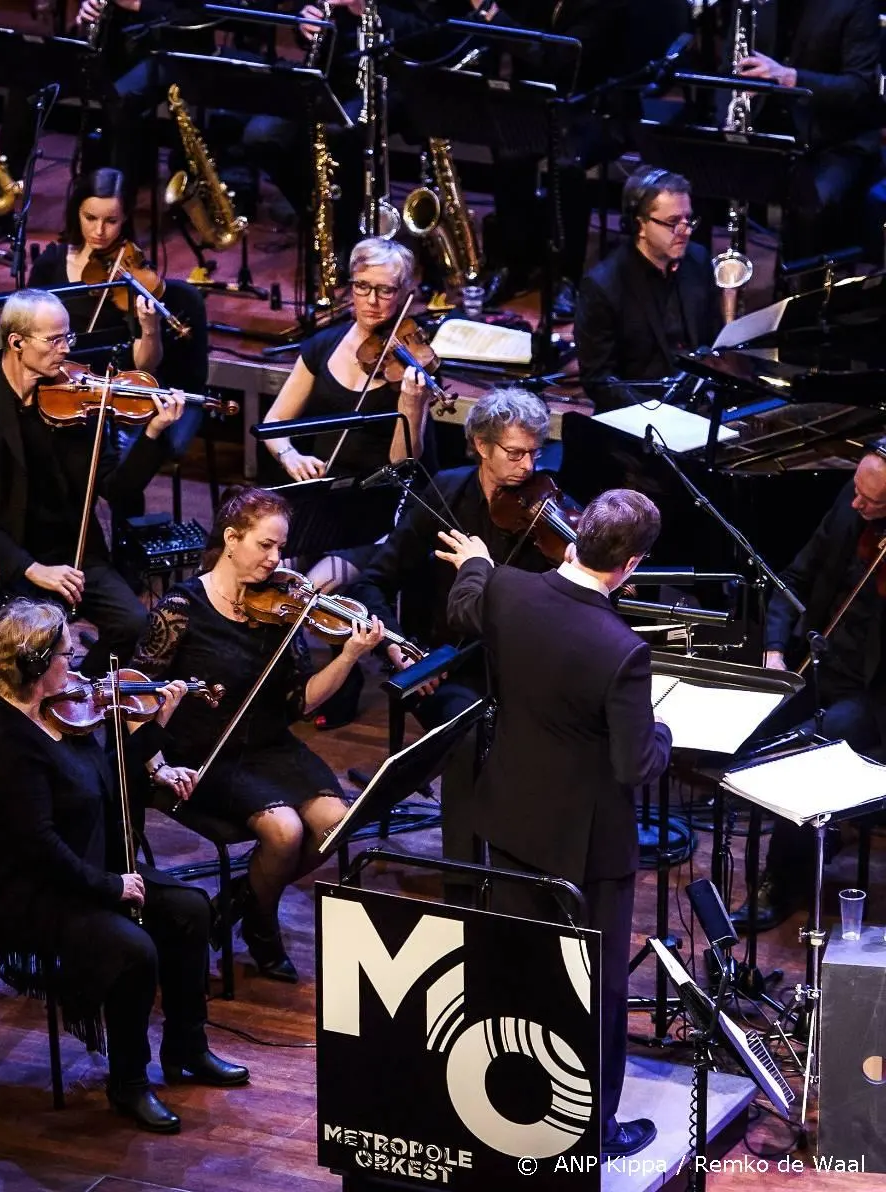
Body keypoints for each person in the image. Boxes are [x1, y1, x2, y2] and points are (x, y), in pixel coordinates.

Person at [0, 598, 250, 1135]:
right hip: (23, 887)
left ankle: (187, 1047)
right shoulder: (8, 745)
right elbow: (39, 847)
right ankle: (129, 1082)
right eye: (67, 655)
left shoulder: (62, 713)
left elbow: (107, 784)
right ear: (37, 664)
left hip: (80, 858)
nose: (78, 668)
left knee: (189, 908)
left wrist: (154, 739)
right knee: (133, 949)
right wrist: (112, 886)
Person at [436, 488, 670, 1160]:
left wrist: (476, 563)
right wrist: (663, 731)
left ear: (577, 538)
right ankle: (595, 1130)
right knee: (598, 984)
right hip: (586, 845)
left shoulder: (507, 590)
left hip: (510, 817)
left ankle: (511, 1100)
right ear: (630, 564)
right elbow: (635, 764)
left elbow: (463, 605)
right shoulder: (622, 650)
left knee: (520, 967)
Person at [133, 487, 385, 979]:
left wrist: (350, 655)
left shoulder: (281, 609)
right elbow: (138, 694)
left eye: (281, 548)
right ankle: (263, 929)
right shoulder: (181, 607)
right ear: (231, 539)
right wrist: (155, 765)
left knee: (337, 822)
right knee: (284, 831)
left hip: (268, 745)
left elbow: (301, 701)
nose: (276, 559)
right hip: (203, 752)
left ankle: (238, 900)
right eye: (265, 545)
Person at [339, 388, 558, 887]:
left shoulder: (544, 509)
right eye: (515, 453)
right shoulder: (443, 496)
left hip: (521, 667)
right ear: (481, 445)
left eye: (534, 453)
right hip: (443, 668)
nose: (528, 466)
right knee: (468, 734)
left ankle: (529, 876)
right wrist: (397, 647)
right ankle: (464, 881)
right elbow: (371, 582)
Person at [0, 288, 184, 676]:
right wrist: (30, 567)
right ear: (17, 342)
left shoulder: (79, 398)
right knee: (26, 651)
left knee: (135, 626)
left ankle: (76, 692)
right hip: (2, 559)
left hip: (74, 552)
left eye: (67, 337)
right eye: (53, 340)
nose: (66, 349)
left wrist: (153, 434)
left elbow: (116, 488)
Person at [735, 448, 886, 930]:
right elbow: (796, 577)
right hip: (818, 663)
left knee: (804, 754)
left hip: (873, 694)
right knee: (752, 729)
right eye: (857, 491)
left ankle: (781, 883)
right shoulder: (850, 503)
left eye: (872, 502)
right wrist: (775, 650)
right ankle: (815, 838)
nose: (858, 505)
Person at [27, 166, 209, 462]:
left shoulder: (136, 276)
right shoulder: (50, 264)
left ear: (125, 219)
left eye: (111, 221)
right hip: (57, 385)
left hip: (116, 396)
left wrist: (150, 327)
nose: (99, 231)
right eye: (90, 218)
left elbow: (145, 365)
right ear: (76, 213)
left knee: (110, 459)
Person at [261, 237, 433, 496]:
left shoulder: (412, 362)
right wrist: (289, 455)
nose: (372, 300)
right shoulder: (322, 346)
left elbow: (402, 463)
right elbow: (274, 422)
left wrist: (412, 405)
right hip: (325, 485)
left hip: (383, 491)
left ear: (403, 293)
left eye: (385, 290)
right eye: (362, 286)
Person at [732, 0, 880, 260]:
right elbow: (728, 68)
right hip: (768, 134)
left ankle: (802, 284)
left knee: (810, 207)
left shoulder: (856, 4)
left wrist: (790, 77)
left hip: (835, 142)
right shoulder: (754, 2)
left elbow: (860, 88)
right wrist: (728, 118)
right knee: (696, 183)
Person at [576, 168, 722, 412]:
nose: (685, 231)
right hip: (638, 415)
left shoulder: (698, 260)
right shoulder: (603, 285)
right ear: (640, 225)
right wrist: (658, 413)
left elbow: (713, 341)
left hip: (699, 405)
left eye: (688, 219)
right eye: (673, 222)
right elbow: (598, 380)